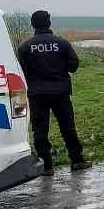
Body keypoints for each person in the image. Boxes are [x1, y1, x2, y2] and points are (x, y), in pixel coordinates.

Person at [16, 10, 89, 175]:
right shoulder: (61, 43)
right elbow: (74, 66)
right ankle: (77, 160)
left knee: (40, 130)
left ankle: (46, 166)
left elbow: (20, 72)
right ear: (49, 23)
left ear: (33, 25)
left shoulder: (25, 47)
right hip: (60, 92)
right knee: (68, 127)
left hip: (36, 94)